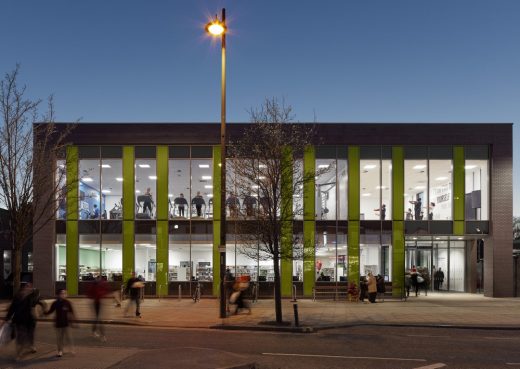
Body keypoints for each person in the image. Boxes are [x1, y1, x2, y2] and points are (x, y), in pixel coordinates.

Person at [3, 283, 44, 360]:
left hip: (31, 320)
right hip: (20, 320)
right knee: (20, 337)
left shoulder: (32, 296)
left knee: (30, 334)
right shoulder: (17, 297)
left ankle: (31, 346)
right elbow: (12, 308)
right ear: (23, 288)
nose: (29, 288)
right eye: (27, 287)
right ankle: (19, 353)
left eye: (30, 287)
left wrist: (42, 311)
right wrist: (6, 319)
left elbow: (39, 301)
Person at [45, 289, 75, 358]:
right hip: (58, 323)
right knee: (59, 338)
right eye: (62, 293)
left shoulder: (67, 302)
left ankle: (71, 349)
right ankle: (60, 351)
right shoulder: (55, 303)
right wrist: (44, 313)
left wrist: (73, 321)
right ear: (59, 295)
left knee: (69, 337)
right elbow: (50, 311)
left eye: (65, 293)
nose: (64, 295)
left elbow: (72, 312)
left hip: (66, 323)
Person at [87, 276, 108, 341]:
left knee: (96, 319)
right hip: (96, 303)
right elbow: (90, 293)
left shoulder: (99, 284)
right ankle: (103, 335)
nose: (98, 280)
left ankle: (93, 332)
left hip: (99, 302)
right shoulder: (95, 284)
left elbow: (105, 291)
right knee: (99, 319)